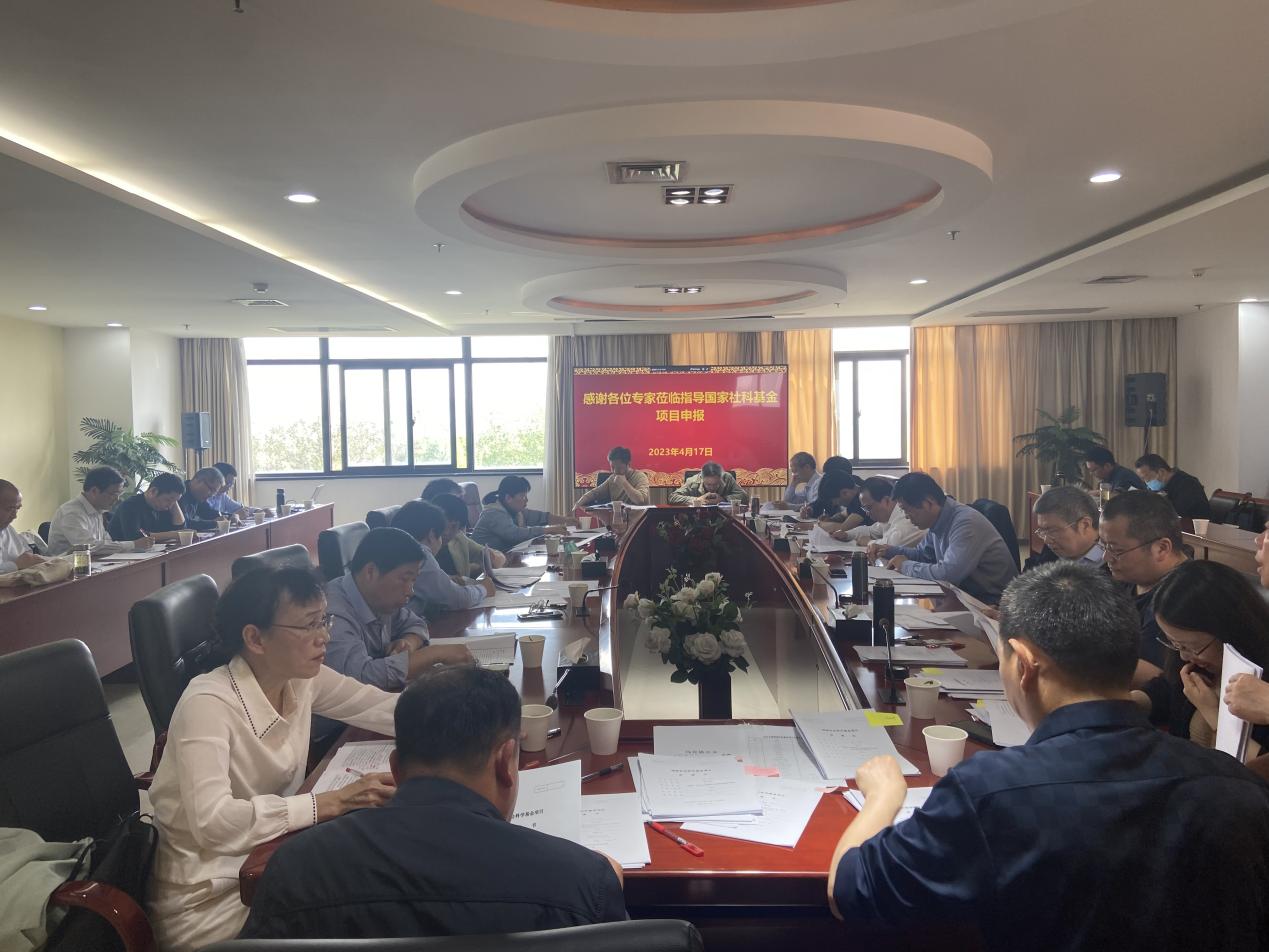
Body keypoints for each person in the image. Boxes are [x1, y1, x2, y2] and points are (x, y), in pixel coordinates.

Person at [827, 561, 1269, 952]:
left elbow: (850, 890)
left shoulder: (993, 791)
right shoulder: (1239, 786)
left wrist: (883, 795)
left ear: (1022, 663)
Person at [239, 665, 628, 940]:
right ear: (505, 762)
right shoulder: (579, 881)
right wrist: (598, 883)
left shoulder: (295, 869)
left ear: (395, 769)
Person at [146, 566, 402, 952]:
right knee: (374, 901)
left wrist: (472, 716)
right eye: (308, 625)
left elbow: (377, 706)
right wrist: (329, 802)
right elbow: (213, 823)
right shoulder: (207, 703)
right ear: (255, 638)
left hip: (273, 859)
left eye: (324, 621)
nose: (324, 636)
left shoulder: (300, 678)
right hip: (211, 900)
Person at [323, 527, 474, 692]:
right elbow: (360, 676)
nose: (410, 591)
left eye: (413, 581)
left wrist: (409, 642)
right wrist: (433, 654)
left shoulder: (380, 598)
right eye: (404, 579)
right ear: (370, 572)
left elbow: (416, 623)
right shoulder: (331, 614)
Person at [1142, 560, 1269, 755]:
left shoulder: (1260, 686)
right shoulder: (1192, 661)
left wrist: (1212, 713)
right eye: (1175, 643)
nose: (1184, 655)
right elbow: (1167, 690)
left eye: (1193, 647)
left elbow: (1261, 765)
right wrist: (1125, 702)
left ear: (1230, 631)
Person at [867, 472, 1019, 604]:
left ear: (928, 503)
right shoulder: (939, 519)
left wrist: (905, 565)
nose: (906, 516)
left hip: (992, 604)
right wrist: (889, 551)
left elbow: (948, 575)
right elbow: (923, 554)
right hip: (964, 595)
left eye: (907, 510)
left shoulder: (966, 523)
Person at [1100, 492, 1189, 687]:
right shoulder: (1128, 577)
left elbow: (1153, 676)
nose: (1106, 557)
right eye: (1103, 546)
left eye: (1116, 550)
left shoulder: (1183, 596)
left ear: (1161, 548)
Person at [391, 500, 494, 613]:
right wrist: (484, 589)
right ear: (431, 535)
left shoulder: (394, 547)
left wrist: (447, 579)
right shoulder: (419, 554)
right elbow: (457, 598)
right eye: (440, 535)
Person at [47, 465, 153, 556]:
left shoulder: (97, 510)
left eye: (119, 494)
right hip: (66, 569)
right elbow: (88, 547)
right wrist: (133, 544)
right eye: (113, 494)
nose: (117, 499)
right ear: (94, 491)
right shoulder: (71, 512)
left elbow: (106, 542)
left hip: (94, 565)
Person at [470, 476, 567, 549]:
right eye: (523, 496)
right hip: (481, 564)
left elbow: (539, 517)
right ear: (508, 498)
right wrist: (547, 530)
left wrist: (566, 520)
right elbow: (515, 535)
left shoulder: (514, 510)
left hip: (499, 559)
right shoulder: (493, 513)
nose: (526, 500)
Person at [431, 492, 506, 578]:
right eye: (443, 525)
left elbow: (497, 556)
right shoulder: (423, 545)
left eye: (454, 527)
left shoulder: (459, 539)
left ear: (460, 528)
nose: (447, 532)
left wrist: (491, 558)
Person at [1026, 485, 1104, 567]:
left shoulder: (1109, 564)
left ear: (1085, 525)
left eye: (1053, 531)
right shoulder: (1053, 546)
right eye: (1043, 531)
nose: (1046, 540)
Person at [841, 476, 924, 548]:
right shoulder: (888, 517)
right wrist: (846, 534)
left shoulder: (907, 516)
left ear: (886, 500)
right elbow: (870, 530)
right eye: (864, 509)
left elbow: (894, 544)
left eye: (869, 508)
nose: (867, 513)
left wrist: (869, 542)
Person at [108, 471, 187, 543]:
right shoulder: (130, 505)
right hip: (121, 552)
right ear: (153, 491)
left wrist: (173, 500)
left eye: (175, 501)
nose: (170, 506)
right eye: (168, 500)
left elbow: (179, 528)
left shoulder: (163, 506)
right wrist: (172, 535)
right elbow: (135, 537)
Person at [1134, 454, 1211, 520]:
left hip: (1195, 529)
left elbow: (1177, 514)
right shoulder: (1165, 486)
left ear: (1161, 472)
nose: (1146, 483)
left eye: (1146, 478)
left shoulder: (1187, 484)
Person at [575, 446, 651, 507]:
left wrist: (624, 483)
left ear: (628, 464)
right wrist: (578, 504)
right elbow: (595, 493)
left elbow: (640, 500)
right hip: (618, 518)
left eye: (619, 468)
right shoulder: (612, 478)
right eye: (612, 467)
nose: (615, 471)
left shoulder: (640, 477)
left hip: (638, 519)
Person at [0, 479, 45, 572]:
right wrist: (15, 565)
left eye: (17, 508)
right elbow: (21, 564)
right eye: (9, 509)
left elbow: (26, 558)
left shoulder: (8, 529)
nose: (14, 516)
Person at [668, 461, 748, 506]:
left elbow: (744, 497)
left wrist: (724, 499)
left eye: (716, 484)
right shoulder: (693, 481)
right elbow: (672, 497)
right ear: (702, 479)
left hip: (724, 517)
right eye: (708, 485)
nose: (712, 488)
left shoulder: (727, 478)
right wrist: (697, 500)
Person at [179, 466, 227, 531]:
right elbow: (185, 524)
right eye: (211, 489)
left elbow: (209, 512)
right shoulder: (180, 493)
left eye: (215, 492)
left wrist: (230, 517)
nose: (211, 495)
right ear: (198, 480)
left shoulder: (197, 496)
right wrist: (215, 523)